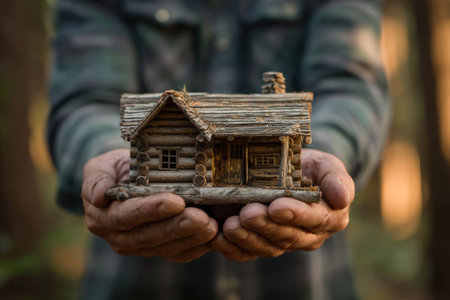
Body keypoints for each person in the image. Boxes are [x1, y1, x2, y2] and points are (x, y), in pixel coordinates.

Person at [48, 0, 390, 299]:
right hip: (133, 278)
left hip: (303, 280)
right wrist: (106, 159)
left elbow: (349, 83)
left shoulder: (282, 121)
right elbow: (86, 99)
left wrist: (319, 159)